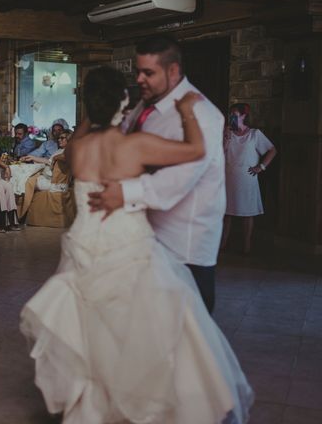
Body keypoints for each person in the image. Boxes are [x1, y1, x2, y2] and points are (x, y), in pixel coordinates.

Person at [20, 66, 253, 424]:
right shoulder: (134, 145)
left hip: (84, 247)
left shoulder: (76, 150)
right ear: (123, 103)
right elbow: (194, 149)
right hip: (127, 245)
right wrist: (188, 112)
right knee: (142, 330)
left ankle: (99, 407)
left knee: (93, 331)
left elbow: (82, 135)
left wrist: (95, 112)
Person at [89, 36, 225, 314]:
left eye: (148, 73)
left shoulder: (202, 115)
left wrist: (123, 193)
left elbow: (179, 179)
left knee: (185, 334)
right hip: (145, 239)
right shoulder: (146, 105)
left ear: (173, 71)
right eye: (138, 71)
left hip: (182, 245)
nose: (139, 79)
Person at [221, 103, 277, 254]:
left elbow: (272, 150)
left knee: (248, 213)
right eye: (230, 114)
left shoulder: (254, 134)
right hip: (229, 176)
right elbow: (220, 154)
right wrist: (225, 138)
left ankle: (247, 245)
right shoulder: (227, 133)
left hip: (247, 177)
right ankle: (224, 243)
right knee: (227, 213)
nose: (232, 117)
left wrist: (261, 167)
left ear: (244, 116)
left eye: (235, 114)